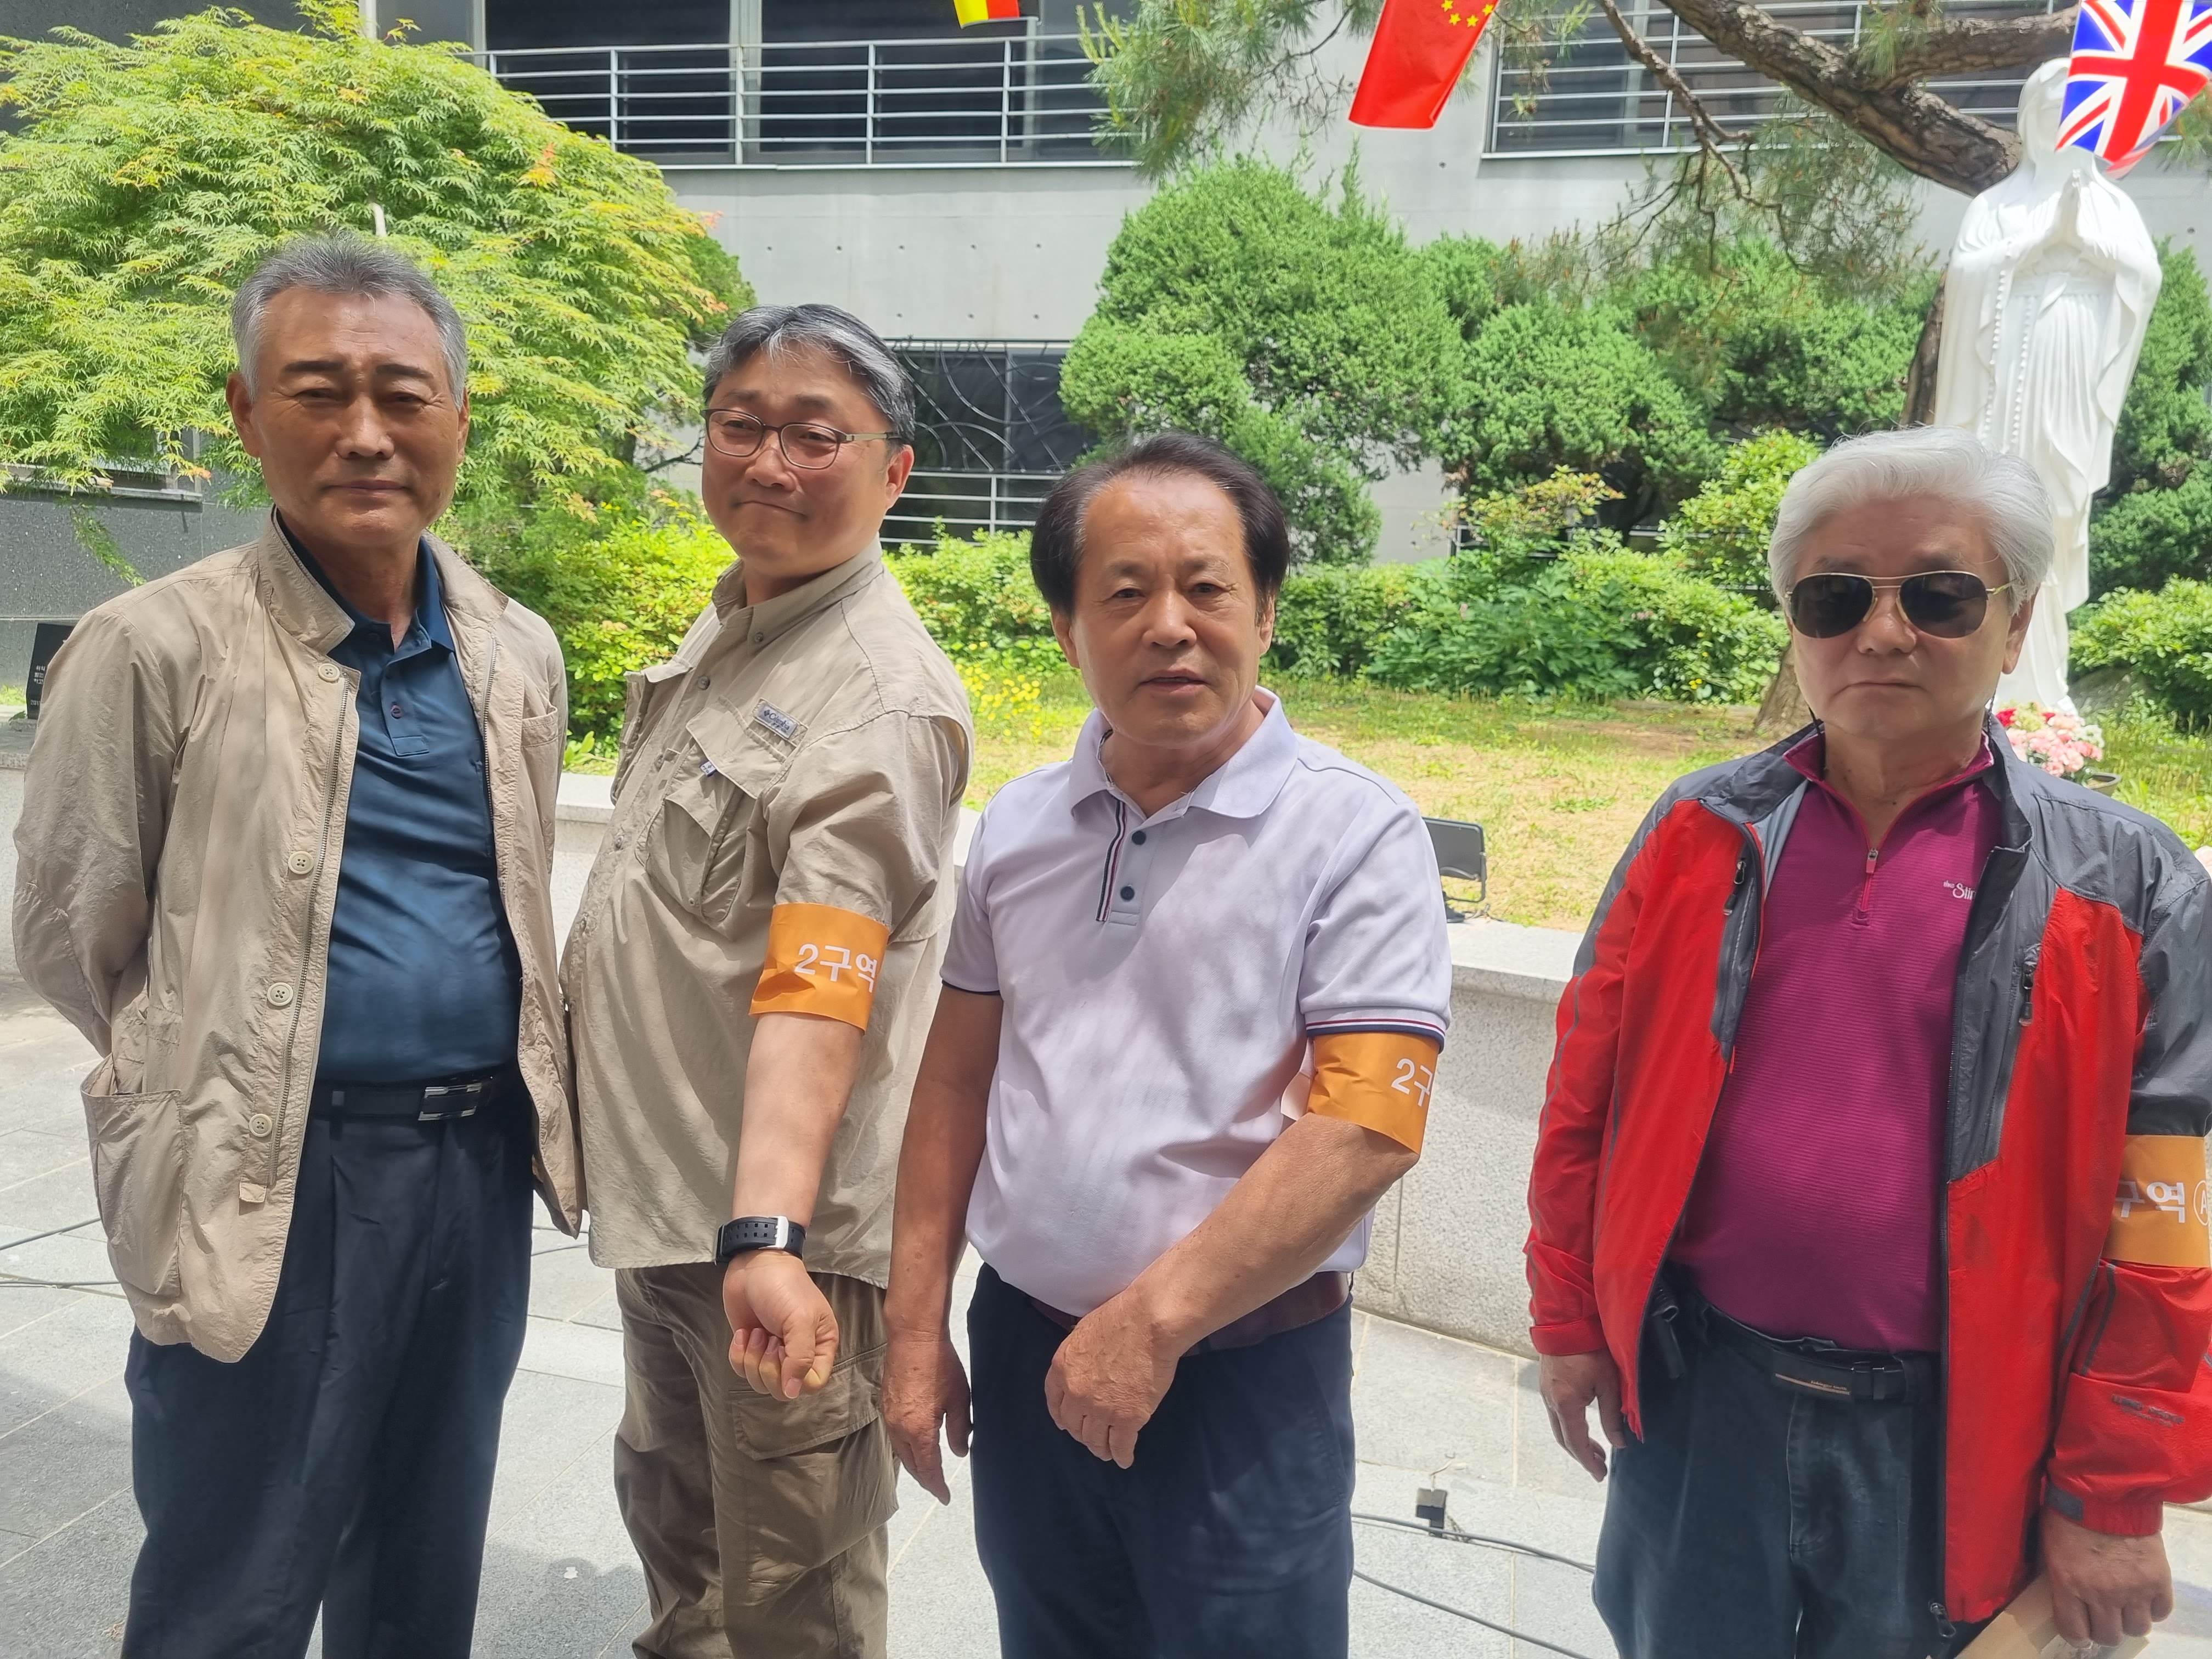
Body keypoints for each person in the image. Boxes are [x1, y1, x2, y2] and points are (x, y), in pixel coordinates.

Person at [1525, 426, 2212, 1658]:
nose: (1882, 634)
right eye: (1835, 598)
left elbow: (2164, 1223)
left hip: (1958, 1435)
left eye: (1939, 597)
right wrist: (1570, 1319)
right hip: (1703, 1405)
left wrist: (2112, 1494)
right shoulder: (1697, 833)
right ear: (1796, 625)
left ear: (2014, 621)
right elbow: (1587, 1096)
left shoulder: (2128, 884)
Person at [12, 235, 578, 1656]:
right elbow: (73, 930)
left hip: (475, 1171)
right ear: (246, 413)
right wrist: (210, 1073)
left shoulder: (515, 649)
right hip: (267, 1176)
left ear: (460, 416)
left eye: (404, 394)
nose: (366, 433)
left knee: (423, 1571)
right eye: (319, 392)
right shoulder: (155, 648)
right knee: (235, 1587)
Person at [883, 432, 1452, 1658]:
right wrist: (915, 1326)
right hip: (1027, 1346)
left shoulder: (1355, 835)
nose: (1170, 627)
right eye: (1125, 593)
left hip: (1244, 1374)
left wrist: (1149, 1326)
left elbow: (1364, 1128)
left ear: (1267, 612)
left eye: (1207, 587)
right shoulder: (1020, 829)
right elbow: (955, 1083)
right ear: (1066, 629)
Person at [561, 303, 972, 1659]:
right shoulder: (742, 623)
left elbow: (822, 983)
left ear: (893, 471)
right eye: (741, 426)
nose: (770, 463)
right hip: (676, 1216)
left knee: (793, 1602)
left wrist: (767, 1237)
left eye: (815, 435)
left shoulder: (876, 694)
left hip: (782, 1251)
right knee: (680, 1546)